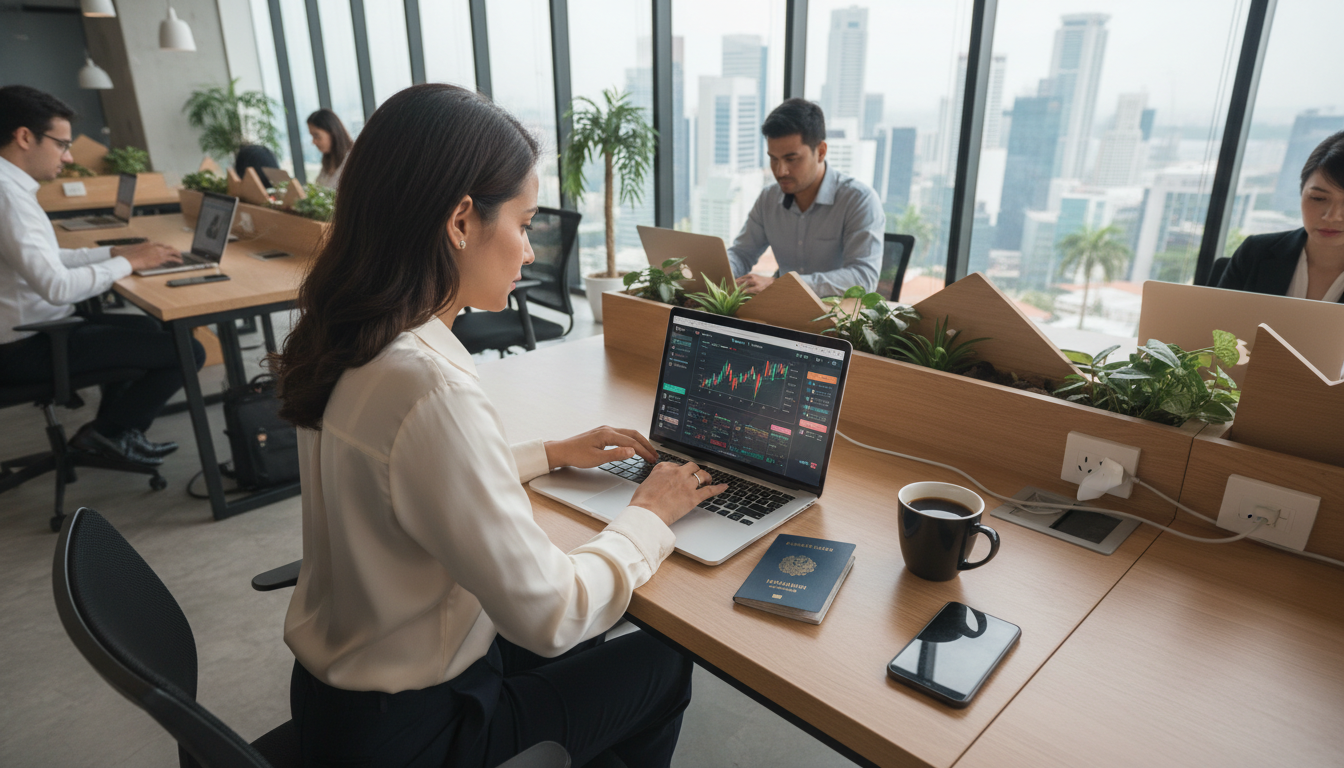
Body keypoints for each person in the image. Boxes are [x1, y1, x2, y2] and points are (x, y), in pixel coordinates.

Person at [270, 83, 725, 768]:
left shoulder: (348, 334)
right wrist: (648, 517)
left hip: (338, 705)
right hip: (421, 734)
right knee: (661, 664)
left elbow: (397, 471)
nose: (532, 252)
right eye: (524, 222)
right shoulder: (429, 386)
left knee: (592, 632)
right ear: (460, 221)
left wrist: (547, 452)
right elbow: (554, 614)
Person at [0, 85, 201, 465]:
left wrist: (114, 252)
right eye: (62, 144)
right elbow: (57, 286)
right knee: (188, 350)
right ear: (25, 137)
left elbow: (47, 259)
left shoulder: (10, 188)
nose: (69, 155)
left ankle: (115, 433)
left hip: (31, 329)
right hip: (26, 345)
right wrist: (131, 264)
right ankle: (104, 434)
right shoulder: (8, 197)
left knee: (149, 330)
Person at [726, 98, 885, 297]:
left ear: (820, 152)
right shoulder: (768, 198)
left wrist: (779, 285)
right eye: (773, 159)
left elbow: (863, 278)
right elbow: (741, 254)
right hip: (782, 312)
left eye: (791, 159)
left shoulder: (859, 200)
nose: (780, 171)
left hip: (835, 318)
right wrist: (717, 274)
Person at [1217, 130, 1344, 303]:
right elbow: (1214, 325)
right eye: (1318, 198)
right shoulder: (1255, 252)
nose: (1332, 216)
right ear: (1302, 192)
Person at [307, 108, 352, 189]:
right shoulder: (328, 161)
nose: (314, 142)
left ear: (333, 132)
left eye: (316, 135)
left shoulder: (351, 160)